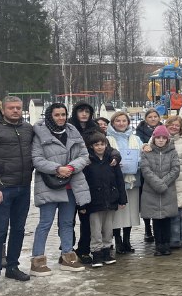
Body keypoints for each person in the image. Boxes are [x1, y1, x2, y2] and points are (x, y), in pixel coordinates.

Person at [0, 96, 34, 292]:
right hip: (2, 189)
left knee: (18, 229)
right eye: (12, 108)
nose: (16, 111)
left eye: (19, 108)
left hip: (23, 187)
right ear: (3, 109)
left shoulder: (27, 128)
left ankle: (12, 266)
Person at [29, 103, 91, 275]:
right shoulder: (40, 133)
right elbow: (37, 159)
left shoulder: (72, 131)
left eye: (63, 114)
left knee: (67, 222)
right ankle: (38, 260)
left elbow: (84, 155)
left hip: (71, 186)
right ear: (50, 116)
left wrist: (70, 168)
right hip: (50, 185)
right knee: (45, 223)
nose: (61, 118)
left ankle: (67, 256)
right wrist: (58, 168)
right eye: (57, 115)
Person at [80, 132, 126, 267]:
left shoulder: (112, 161)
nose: (99, 147)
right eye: (96, 145)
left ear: (106, 145)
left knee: (108, 228)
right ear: (91, 146)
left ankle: (107, 251)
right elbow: (82, 184)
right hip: (94, 201)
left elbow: (119, 180)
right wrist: (81, 204)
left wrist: (122, 199)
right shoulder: (87, 162)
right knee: (95, 229)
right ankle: (96, 253)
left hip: (110, 200)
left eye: (102, 144)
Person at [106, 111, 143, 254]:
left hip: (133, 181)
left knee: (130, 213)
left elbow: (142, 155)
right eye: (118, 121)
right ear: (113, 123)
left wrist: (136, 163)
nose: (121, 123)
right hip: (115, 182)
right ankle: (118, 241)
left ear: (128, 123)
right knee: (117, 214)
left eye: (124, 121)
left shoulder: (136, 139)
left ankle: (127, 240)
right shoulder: (108, 139)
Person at [140, 124, 180, 256]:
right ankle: (158, 245)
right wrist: (158, 184)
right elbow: (146, 170)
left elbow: (175, 170)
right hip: (152, 191)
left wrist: (163, 183)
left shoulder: (173, 152)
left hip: (168, 190)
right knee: (156, 220)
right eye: (158, 137)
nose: (161, 140)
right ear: (154, 139)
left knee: (166, 220)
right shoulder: (147, 152)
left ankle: (166, 245)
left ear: (167, 139)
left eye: (164, 137)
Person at [163, 116, 182, 248]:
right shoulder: (158, 138)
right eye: (172, 124)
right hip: (166, 179)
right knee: (170, 209)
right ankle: (173, 238)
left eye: (177, 125)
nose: (174, 127)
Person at [136, 108, 161, 244]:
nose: (152, 119)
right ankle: (147, 228)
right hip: (145, 171)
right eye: (150, 117)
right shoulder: (140, 133)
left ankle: (159, 228)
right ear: (146, 119)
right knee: (146, 200)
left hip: (161, 169)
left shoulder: (164, 130)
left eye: (155, 116)